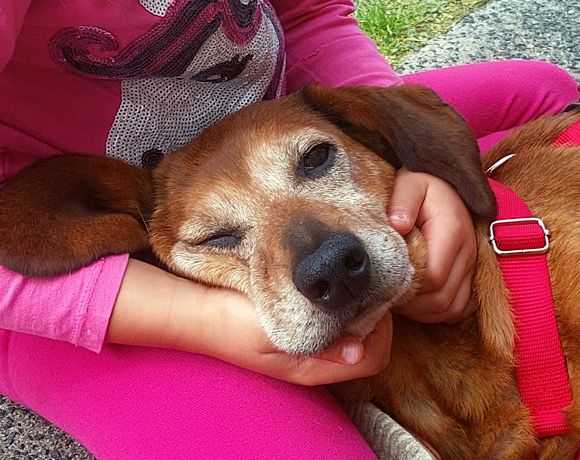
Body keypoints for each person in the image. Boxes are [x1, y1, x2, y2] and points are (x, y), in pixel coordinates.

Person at [0, 1, 577, 459]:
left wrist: (414, 170)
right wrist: (201, 320)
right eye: (220, 237)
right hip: (47, 285)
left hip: (270, 116)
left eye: (318, 161)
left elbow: (306, 13)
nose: (323, 259)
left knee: (545, 91)